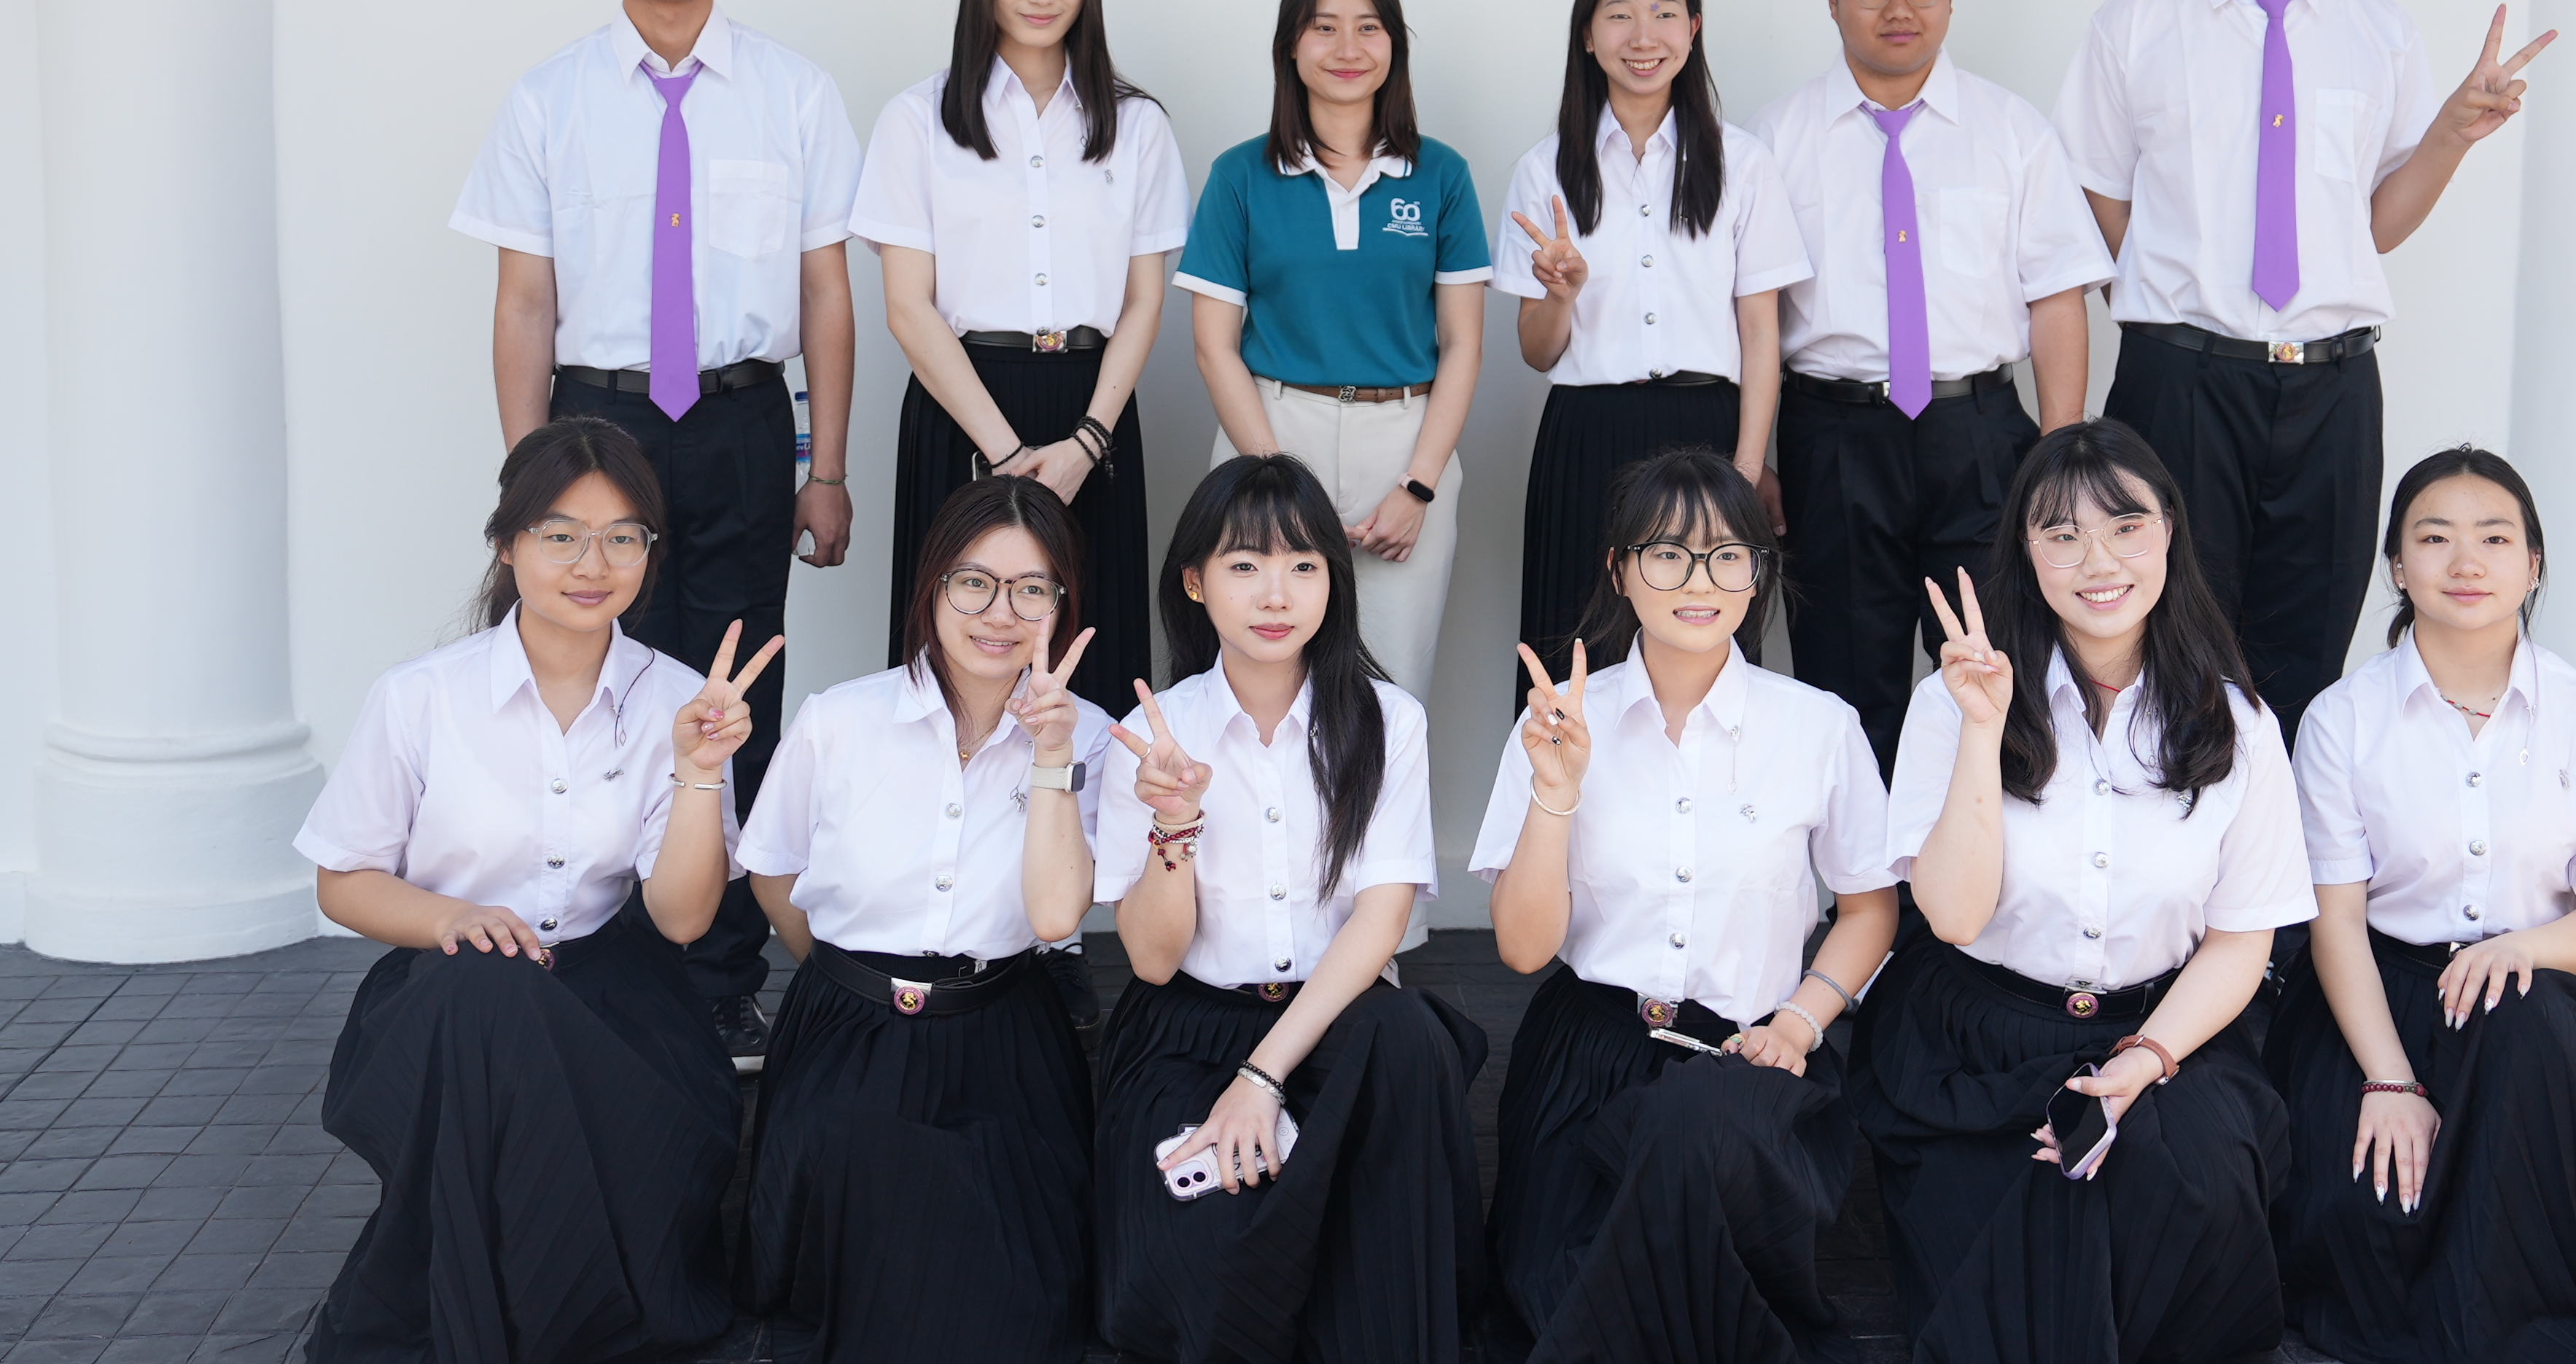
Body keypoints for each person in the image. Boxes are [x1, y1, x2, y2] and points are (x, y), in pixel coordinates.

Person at [450, 0, 863, 1067]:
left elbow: (826, 294)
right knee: (598, 685)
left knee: (736, 692)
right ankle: (603, 954)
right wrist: (531, 485)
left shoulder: (795, 94)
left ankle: (723, 975)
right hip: (597, 422)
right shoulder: (549, 99)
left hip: (741, 421)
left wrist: (825, 469)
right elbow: (524, 302)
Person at [2053, 0, 2556, 736]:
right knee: (2160, 636)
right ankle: (2171, 831)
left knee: (2306, 647)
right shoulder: (2136, 25)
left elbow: (2373, 226)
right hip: (2181, 382)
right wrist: (2176, 301)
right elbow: (2097, 192)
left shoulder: (2377, 30)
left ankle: (2279, 837)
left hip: (2332, 386)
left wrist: (2452, 133)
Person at [295, 416, 775, 1364]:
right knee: (490, 994)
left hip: (610, 995)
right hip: (444, 991)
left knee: (530, 1041)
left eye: (623, 537)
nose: (593, 564)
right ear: (507, 544)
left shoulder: (677, 698)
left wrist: (698, 771)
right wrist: (456, 917)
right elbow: (341, 884)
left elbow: (682, 920)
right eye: (562, 535)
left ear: (650, 552)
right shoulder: (421, 697)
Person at [1852, 417, 2316, 1363]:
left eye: (2125, 527)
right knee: (2018, 1269)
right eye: (2061, 533)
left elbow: (2240, 940)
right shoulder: (1952, 700)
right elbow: (1952, 916)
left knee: (2186, 1195)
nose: (2097, 561)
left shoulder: (2237, 724)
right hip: (1976, 1042)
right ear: (2025, 554)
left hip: (2161, 1032)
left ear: (2170, 531)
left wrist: (2142, 1063)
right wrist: (1982, 729)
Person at [2268, 448, 2576, 1363]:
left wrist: (2521, 951)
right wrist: (2389, 1082)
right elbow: (2336, 922)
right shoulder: (2340, 719)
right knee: (2370, 1227)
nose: (2464, 563)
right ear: (2396, 568)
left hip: (2532, 1010)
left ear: (2531, 565)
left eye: (2492, 539)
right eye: (2433, 538)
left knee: (2520, 1031)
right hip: (2377, 1002)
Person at [1472, 447, 1896, 1363]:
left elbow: (1869, 910)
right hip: (1588, 1054)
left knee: (1666, 1274)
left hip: (1749, 1059)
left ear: (1757, 573)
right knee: (1555, 1292)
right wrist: (1555, 792)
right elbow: (1521, 950)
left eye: (1725, 556)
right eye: (1667, 554)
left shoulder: (1818, 726)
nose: (1698, 581)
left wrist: (1798, 1023)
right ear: (1619, 570)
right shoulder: (1554, 724)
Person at [1089, 454, 1487, 1364]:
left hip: (1344, 1025)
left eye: (1304, 565)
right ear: (1194, 582)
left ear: (1332, 583)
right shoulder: (1150, 736)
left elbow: (1380, 923)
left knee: (1403, 1048)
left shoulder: (1388, 721)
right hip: (1190, 1029)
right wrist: (1173, 823)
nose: (1277, 594)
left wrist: (1262, 1081)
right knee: (1205, 1271)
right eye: (1244, 565)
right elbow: (1151, 960)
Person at [736, 475, 1118, 1364]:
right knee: (867, 1190)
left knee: (1020, 1277)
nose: (1000, 613)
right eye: (973, 583)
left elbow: (1057, 912)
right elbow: (772, 869)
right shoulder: (841, 720)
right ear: (932, 586)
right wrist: (846, 979)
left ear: (1062, 605)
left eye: (1031, 589)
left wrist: (1052, 756)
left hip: (1005, 1027)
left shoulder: (1093, 735)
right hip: (847, 1029)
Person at [1750, 0, 2112, 777]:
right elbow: (1750, 313)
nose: (1898, 6)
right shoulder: (1777, 139)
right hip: (1831, 437)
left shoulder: (2010, 131)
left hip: (1979, 435)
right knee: (1844, 684)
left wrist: (2058, 455)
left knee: (1997, 673)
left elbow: (2055, 299)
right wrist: (1753, 457)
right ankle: (1863, 867)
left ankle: (1982, 865)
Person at [850, 0, 1188, 712]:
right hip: (963, 405)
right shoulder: (916, 120)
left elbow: (1143, 303)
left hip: (1092, 414)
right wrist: (1005, 458)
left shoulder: (1137, 125)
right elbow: (907, 308)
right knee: (958, 656)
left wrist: (1085, 443)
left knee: (1089, 659)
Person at [1175, 0, 1490, 706]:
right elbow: (1214, 346)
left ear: (1394, 44)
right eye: (1324, 27)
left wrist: (1418, 487)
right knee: (1260, 678)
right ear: (1291, 43)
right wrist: (1276, 483)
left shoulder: (1440, 175)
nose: (1348, 48)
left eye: (1368, 27)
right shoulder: (1240, 176)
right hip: (1270, 433)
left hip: (1405, 447)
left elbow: (1463, 344)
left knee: (1392, 687)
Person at [1498, 0, 1810, 705]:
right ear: (1586, 34)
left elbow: (1761, 335)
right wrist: (1561, 295)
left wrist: (1745, 471)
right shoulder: (1544, 169)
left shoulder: (1742, 163)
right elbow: (1536, 352)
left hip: (1708, 432)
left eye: (1664, 12)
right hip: (1586, 436)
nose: (1643, 36)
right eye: (1619, 14)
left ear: (1693, 28)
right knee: (1576, 654)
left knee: (1707, 654)